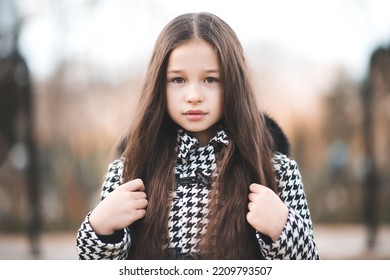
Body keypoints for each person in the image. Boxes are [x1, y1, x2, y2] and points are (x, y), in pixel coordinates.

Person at [76, 12, 320, 260]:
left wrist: (285, 230)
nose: (194, 95)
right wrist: (100, 230)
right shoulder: (129, 172)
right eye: (178, 79)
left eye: (211, 79)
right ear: (160, 84)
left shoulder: (274, 170)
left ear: (234, 83)